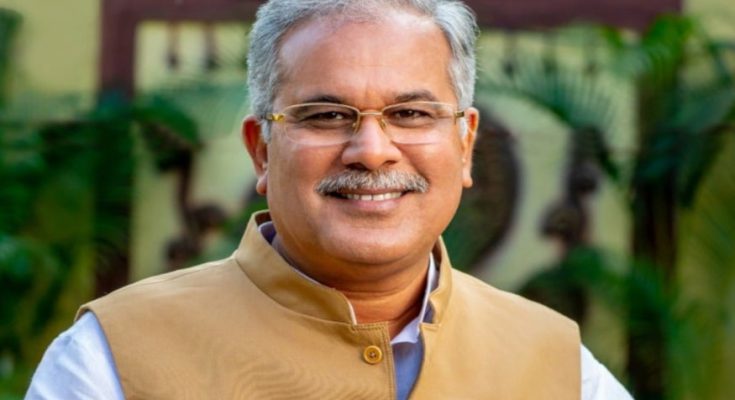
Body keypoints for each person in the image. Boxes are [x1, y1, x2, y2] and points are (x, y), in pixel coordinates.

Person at [26, 1, 634, 399]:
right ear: (261, 151)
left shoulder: (557, 366)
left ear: (465, 144)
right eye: (325, 115)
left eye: (410, 113)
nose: (372, 151)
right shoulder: (114, 358)